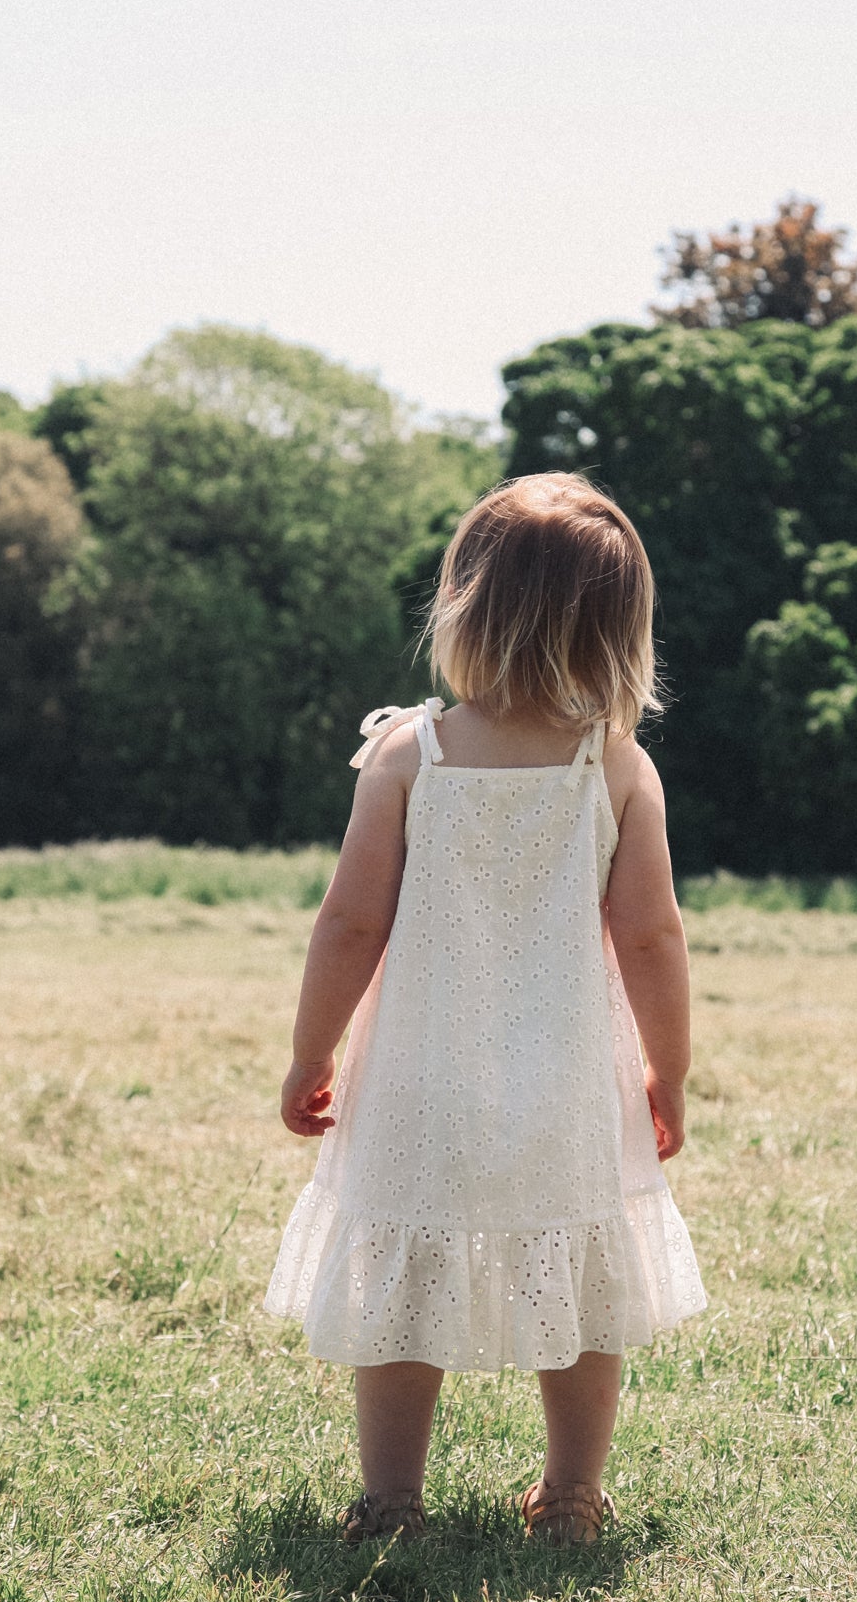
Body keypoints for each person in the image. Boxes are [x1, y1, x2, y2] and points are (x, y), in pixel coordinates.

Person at [264, 472, 706, 1545]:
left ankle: (391, 1499)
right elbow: (651, 936)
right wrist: (669, 1072)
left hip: (417, 1072)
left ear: (464, 603)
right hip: (566, 1081)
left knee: (400, 1276)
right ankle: (568, 1495)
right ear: (617, 631)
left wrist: (308, 1054)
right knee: (581, 1286)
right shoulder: (614, 766)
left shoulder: (411, 753)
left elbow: (348, 926)